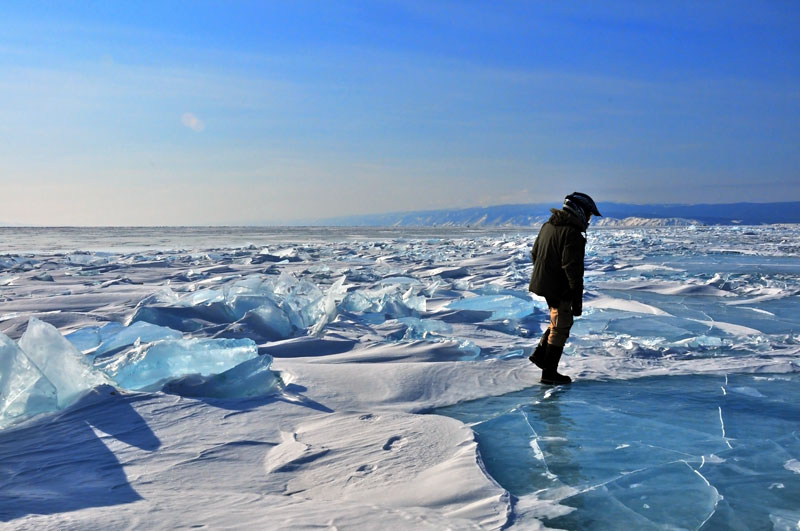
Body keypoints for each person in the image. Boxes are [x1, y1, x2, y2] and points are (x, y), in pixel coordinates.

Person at [528, 192, 601, 385]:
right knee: (561, 325)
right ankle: (549, 373)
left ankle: (540, 356)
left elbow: (534, 253)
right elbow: (573, 270)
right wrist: (576, 299)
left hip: (543, 282)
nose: (589, 219)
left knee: (557, 320)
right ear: (579, 211)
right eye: (589, 214)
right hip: (559, 286)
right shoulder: (572, 234)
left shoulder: (548, 226)